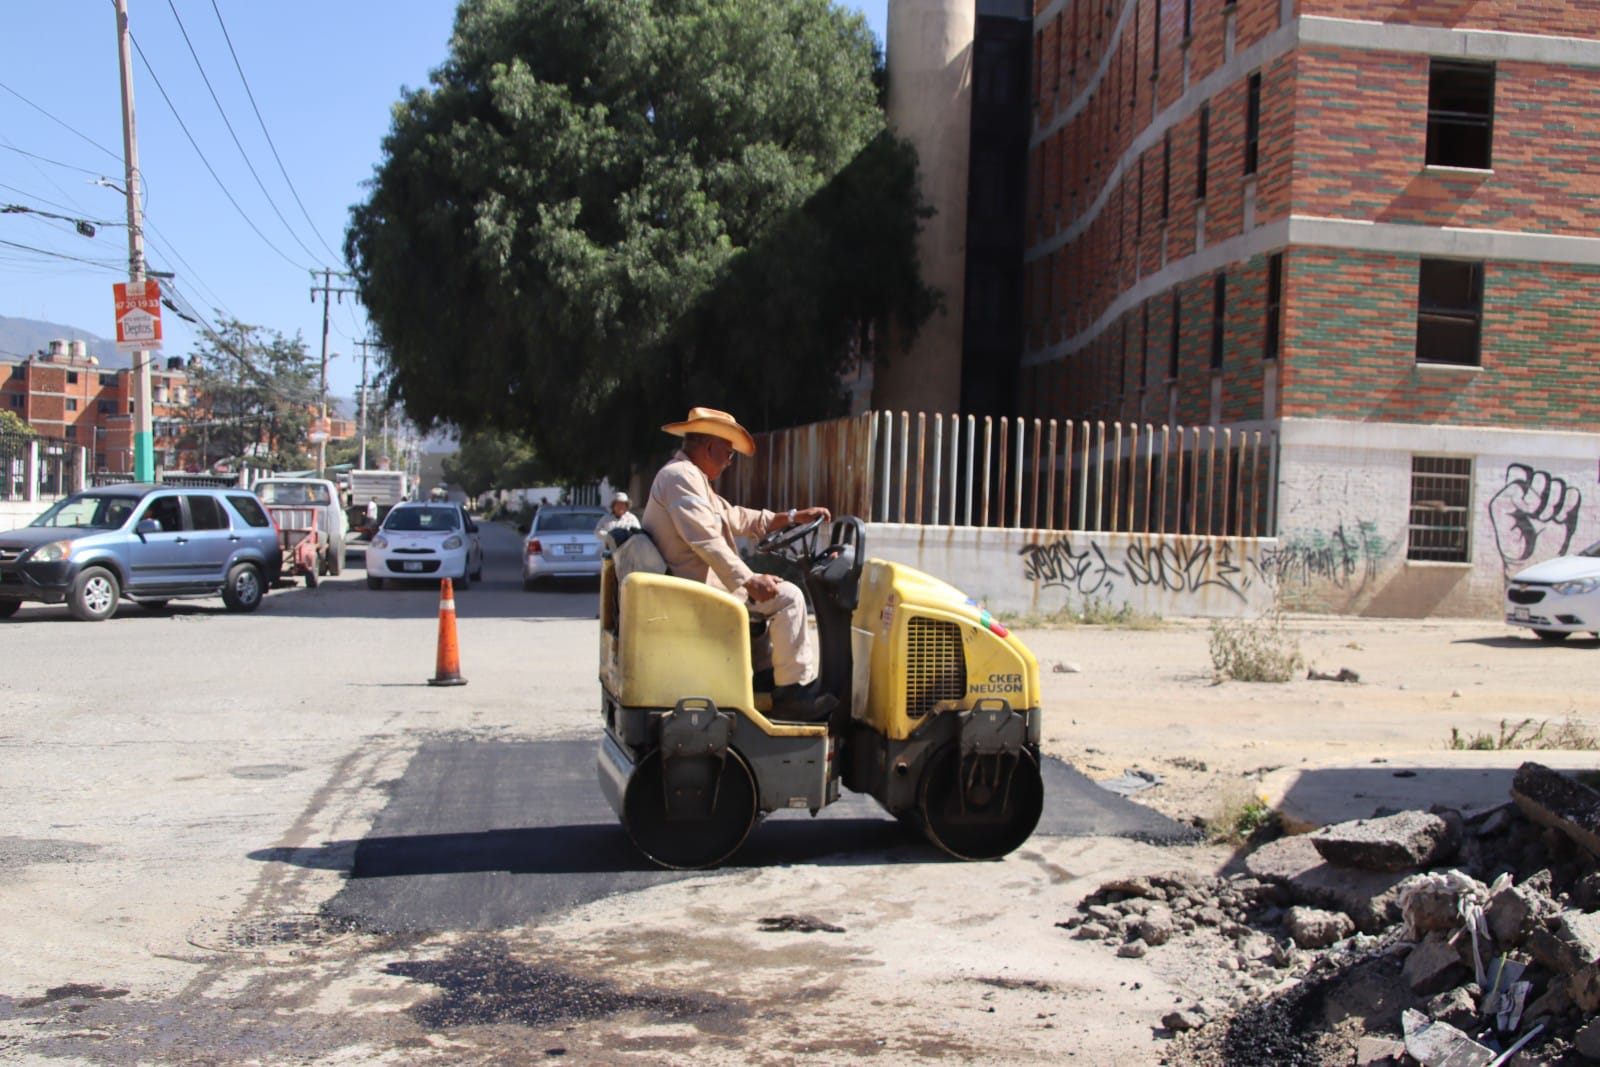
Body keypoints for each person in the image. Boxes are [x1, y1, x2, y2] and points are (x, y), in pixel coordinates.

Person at [642, 406, 834, 721]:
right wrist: (748, 580)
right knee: (788, 598)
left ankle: (762, 680)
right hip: (694, 594)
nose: (729, 462)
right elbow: (706, 540)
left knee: (773, 591)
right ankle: (791, 694)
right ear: (709, 447)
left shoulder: (692, 479)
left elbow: (737, 517)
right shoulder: (680, 477)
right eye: (728, 454)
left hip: (698, 588)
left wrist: (792, 517)